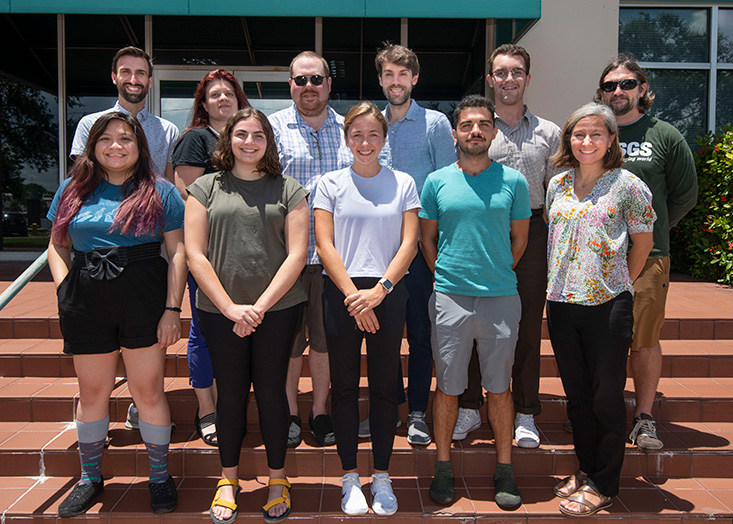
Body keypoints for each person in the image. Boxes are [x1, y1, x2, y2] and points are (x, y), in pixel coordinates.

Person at [48, 112, 186, 517]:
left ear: (139, 147)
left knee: (148, 392)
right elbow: (57, 245)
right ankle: (90, 477)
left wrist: (172, 309)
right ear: (92, 147)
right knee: (93, 394)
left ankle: (159, 477)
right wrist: (64, 288)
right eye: (105, 138)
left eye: (125, 138)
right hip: (86, 299)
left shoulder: (160, 191)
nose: (115, 145)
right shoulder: (71, 191)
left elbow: (177, 253)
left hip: (143, 297)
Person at [185, 108, 308, 524]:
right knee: (232, 395)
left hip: (278, 309)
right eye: (241, 134)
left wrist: (258, 307)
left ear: (268, 141)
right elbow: (194, 254)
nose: (249, 141)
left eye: (258, 134)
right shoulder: (204, 188)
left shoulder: (290, 188)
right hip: (221, 310)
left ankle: (277, 480)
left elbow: (297, 254)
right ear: (229, 139)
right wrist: (230, 307)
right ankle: (228, 480)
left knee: (272, 394)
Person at [420, 95, 530, 510]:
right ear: (454, 134)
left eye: (484, 124)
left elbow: (519, 241)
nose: (475, 131)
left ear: (494, 132)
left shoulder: (513, 182)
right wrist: (447, 276)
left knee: (499, 389)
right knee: (447, 388)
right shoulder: (436, 182)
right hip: (449, 297)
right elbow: (427, 239)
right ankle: (443, 466)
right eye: (467, 125)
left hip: (501, 296)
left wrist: (494, 272)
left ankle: (505, 469)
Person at [545, 102, 655, 516]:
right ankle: (586, 468)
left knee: (605, 396)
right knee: (577, 397)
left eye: (596, 134)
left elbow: (642, 242)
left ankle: (604, 482)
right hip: (561, 304)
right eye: (579, 134)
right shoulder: (557, 184)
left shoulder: (627, 185)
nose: (586, 141)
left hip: (607, 306)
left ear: (611, 140)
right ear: (569, 139)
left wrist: (618, 283)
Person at [314, 101, 419, 516]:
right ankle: (349, 478)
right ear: (346, 139)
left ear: (384, 138)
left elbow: (409, 244)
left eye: (373, 134)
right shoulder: (329, 183)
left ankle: (382, 476)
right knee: (342, 388)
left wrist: (380, 291)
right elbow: (325, 245)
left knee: (382, 389)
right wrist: (356, 299)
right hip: (342, 292)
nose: (365, 142)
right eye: (356, 134)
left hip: (388, 291)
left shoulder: (404, 183)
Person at [453, 44, 561, 447]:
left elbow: (558, 195)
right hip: (484, 233)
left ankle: (525, 412)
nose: (509, 79)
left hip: (532, 234)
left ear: (527, 78)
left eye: (516, 72)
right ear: (491, 79)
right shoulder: (478, 127)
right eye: (501, 73)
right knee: (478, 323)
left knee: (527, 327)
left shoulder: (549, 133)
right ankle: (469, 406)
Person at [594, 54, 697, 452]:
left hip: (649, 256)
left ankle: (643, 417)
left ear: (643, 89)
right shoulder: (592, 132)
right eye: (610, 85)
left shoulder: (665, 135)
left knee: (644, 338)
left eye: (627, 84)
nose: (618, 91)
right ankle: (601, 410)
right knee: (600, 339)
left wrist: (649, 231)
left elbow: (685, 194)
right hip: (596, 258)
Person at [363, 43, 455, 446]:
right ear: (381, 79)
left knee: (420, 332)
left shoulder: (434, 124)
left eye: (403, 75)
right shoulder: (371, 124)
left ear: (414, 79)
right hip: (376, 249)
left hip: (418, 249)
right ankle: (386, 407)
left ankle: (417, 410)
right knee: (380, 335)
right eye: (388, 75)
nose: (395, 82)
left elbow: (447, 185)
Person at [269, 51, 352, 448]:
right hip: (285, 257)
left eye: (316, 79)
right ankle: (288, 411)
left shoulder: (351, 129)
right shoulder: (270, 129)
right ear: (290, 84)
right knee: (288, 339)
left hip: (334, 257)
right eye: (300, 80)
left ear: (328, 84)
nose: (308, 87)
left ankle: (320, 411)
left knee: (322, 340)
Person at [171, 69, 250, 447]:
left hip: (246, 255)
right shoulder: (194, 140)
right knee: (203, 332)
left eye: (228, 93)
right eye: (214, 95)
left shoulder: (249, 138)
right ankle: (206, 409)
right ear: (203, 103)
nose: (222, 99)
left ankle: (232, 404)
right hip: (208, 254)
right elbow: (190, 199)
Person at [70, 46, 179, 182]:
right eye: (126, 72)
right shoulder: (90, 124)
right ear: (114, 77)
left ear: (150, 81)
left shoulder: (168, 131)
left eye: (140, 73)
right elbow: (80, 180)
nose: (133, 80)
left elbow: (170, 184)